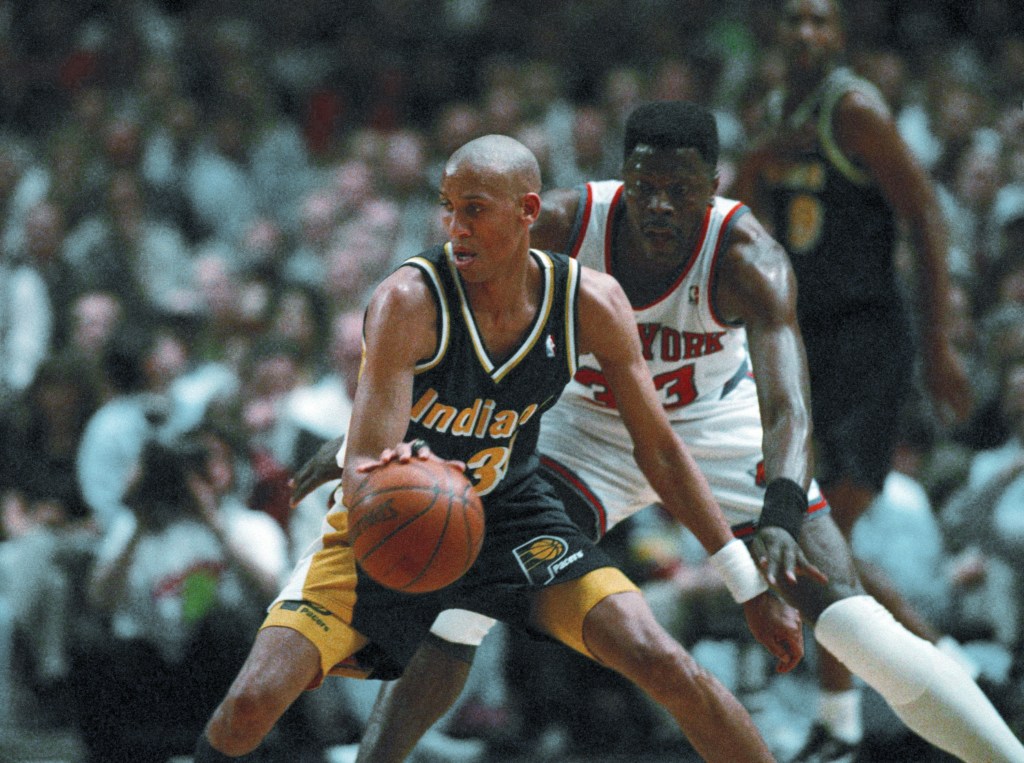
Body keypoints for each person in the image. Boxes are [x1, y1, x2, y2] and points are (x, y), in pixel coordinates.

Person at [334, 103, 1024, 763]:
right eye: (646, 187)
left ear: (714, 186)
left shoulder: (748, 256)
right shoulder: (567, 223)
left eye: (680, 189)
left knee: (854, 626)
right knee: (460, 607)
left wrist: (782, 509)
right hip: (585, 430)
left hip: (716, 428)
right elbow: (423, 302)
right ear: (621, 179)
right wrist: (366, 432)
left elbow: (789, 407)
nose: (660, 204)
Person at [193, 134, 811, 763]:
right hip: (395, 523)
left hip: (511, 516)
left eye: (476, 209)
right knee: (249, 706)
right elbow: (360, 468)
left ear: (528, 211)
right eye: (448, 207)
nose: (456, 228)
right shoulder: (408, 301)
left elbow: (661, 452)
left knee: (663, 662)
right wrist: (387, 480)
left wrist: (749, 587)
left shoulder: (590, 300)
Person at [733, 0, 977, 759]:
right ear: (777, 33)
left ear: (839, 38)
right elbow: (743, 214)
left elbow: (926, 219)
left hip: (872, 338)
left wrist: (939, 347)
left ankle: (867, 708)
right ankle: (948, 672)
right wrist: (761, 152)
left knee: (824, 526)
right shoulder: (776, 110)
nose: (805, 33)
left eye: (819, 22)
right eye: (793, 21)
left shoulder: (857, 111)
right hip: (806, 339)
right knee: (803, 532)